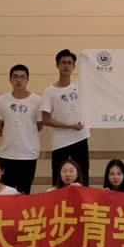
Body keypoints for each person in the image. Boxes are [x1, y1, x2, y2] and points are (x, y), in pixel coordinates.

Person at [40, 49, 90, 187]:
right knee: (59, 178)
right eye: (63, 62)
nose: (66, 66)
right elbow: (45, 119)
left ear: (74, 66)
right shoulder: (49, 92)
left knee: (82, 176)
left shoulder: (80, 86)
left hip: (80, 138)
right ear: (57, 65)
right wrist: (69, 126)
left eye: (69, 63)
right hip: (60, 142)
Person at [0, 64, 42, 195]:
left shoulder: (37, 101)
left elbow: (39, 126)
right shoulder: (2, 100)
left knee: (24, 193)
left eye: (22, 77)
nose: (19, 80)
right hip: (6, 154)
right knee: (6, 193)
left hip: (28, 154)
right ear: (10, 79)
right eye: (15, 77)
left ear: (28, 79)